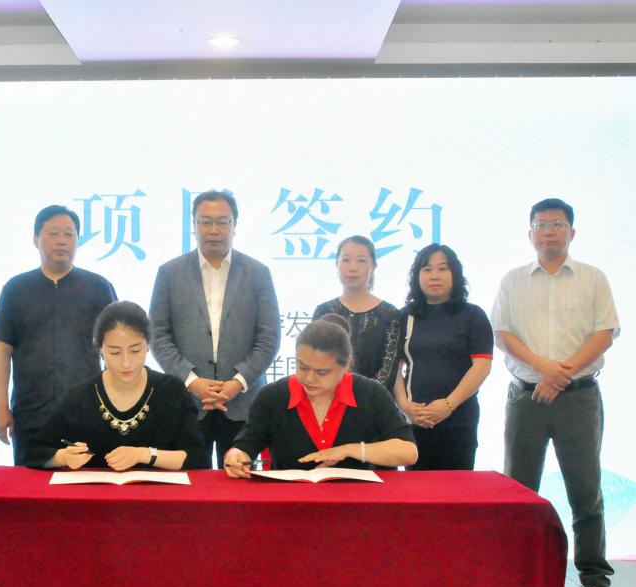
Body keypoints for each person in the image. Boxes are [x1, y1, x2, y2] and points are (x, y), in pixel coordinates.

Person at [491, 198, 621, 587]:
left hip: (579, 398)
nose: (549, 231)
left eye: (557, 225)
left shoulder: (592, 278)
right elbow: (502, 334)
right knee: (519, 490)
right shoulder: (513, 280)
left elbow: (605, 333)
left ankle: (595, 581)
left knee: (586, 492)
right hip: (526, 398)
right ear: (530, 233)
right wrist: (543, 368)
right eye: (542, 224)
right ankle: (516, 578)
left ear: (572, 232)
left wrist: (560, 375)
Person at [149, 190, 280, 467]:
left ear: (235, 224)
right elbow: (158, 336)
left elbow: (269, 337)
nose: (213, 230)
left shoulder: (258, 273)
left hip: (243, 402)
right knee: (189, 482)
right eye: (205, 222)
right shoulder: (169, 273)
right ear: (193, 225)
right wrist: (192, 381)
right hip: (187, 401)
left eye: (222, 222)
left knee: (240, 481)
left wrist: (237, 383)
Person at [0, 205, 116, 467]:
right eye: (53, 233)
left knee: (88, 486)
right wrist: (1, 408)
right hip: (31, 413)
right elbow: (2, 351)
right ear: (36, 239)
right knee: (30, 487)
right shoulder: (15, 289)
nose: (62, 241)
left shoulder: (99, 288)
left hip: (88, 413)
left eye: (69, 234)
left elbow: (116, 349)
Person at [223, 315, 416, 477]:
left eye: (322, 372)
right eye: (302, 367)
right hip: (289, 500)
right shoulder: (273, 396)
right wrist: (236, 456)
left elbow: (408, 451)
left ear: (345, 366)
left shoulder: (370, 393)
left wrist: (349, 450)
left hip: (354, 501)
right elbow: (246, 444)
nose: (309, 378)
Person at [24, 301, 209, 470]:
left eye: (135, 350)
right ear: (100, 350)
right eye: (115, 352)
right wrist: (64, 457)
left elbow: (198, 457)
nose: (126, 363)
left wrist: (144, 455)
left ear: (147, 346)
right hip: (95, 496)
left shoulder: (171, 391)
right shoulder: (79, 397)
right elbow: (35, 452)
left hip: (158, 494)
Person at [394, 244, 493, 471]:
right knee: (416, 489)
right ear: (417, 276)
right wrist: (405, 405)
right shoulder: (404, 316)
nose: (435, 275)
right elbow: (394, 368)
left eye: (442, 269)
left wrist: (449, 405)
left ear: (455, 274)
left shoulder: (473, 315)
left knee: (457, 488)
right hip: (416, 419)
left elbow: (481, 367)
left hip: (459, 419)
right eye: (427, 269)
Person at [313, 235, 402, 393]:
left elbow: (388, 370)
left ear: (373, 266)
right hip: (328, 400)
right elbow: (314, 361)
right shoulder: (323, 311)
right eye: (346, 260)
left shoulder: (390, 314)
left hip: (375, 402)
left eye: (361, 260)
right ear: (337, 264)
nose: (352, 267)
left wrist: (361, 399)